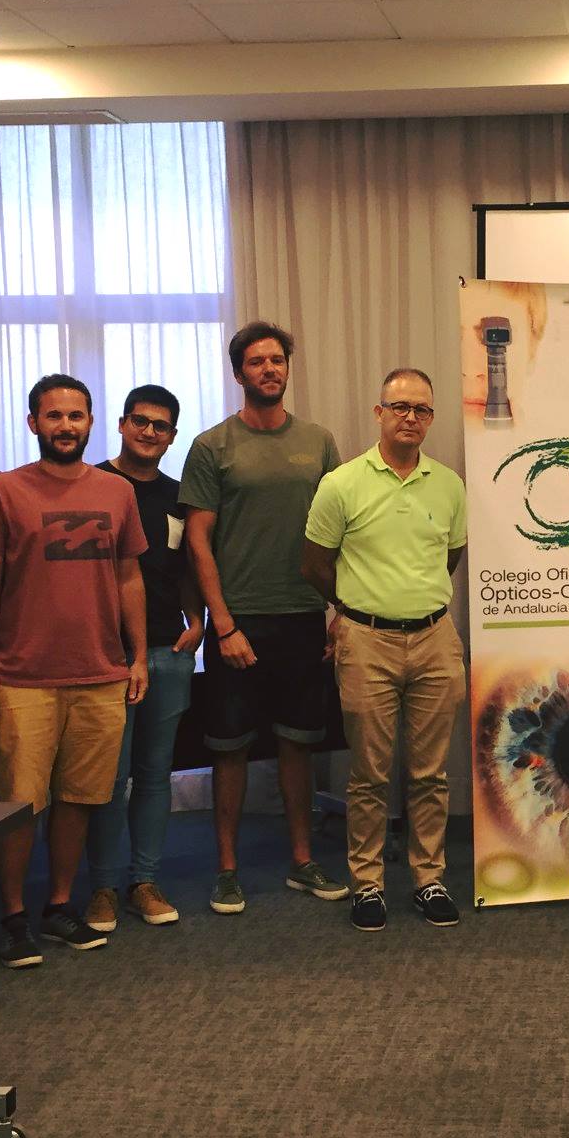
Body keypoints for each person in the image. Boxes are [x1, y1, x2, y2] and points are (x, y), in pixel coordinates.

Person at [0, 374, 149, 968]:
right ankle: (13, 916)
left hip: (101, 672)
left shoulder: (117, 491)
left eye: (75, 416)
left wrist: (137, 656)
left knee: (80, 798)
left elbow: (129, 578)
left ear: (91, 422)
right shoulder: (2, 491)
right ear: (33, 423)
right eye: (53, 416)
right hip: (23, 675)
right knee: (21, 803)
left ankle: (59, 905)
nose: (65, 426)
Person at [182, 321, 347, 916]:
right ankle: (226, 871)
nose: (269, 369)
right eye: (256, 361)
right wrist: (222, 625)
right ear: (239, 373)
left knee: (298, 744)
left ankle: (302, 861)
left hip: (302, 616)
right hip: (239, 623)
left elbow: (340, 532)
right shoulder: (212, 446)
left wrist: (340, 611)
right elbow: (197, 542)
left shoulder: (319, 442)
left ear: (287, 367)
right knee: (229, 748)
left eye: (277, 360)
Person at [302, 368, 468, 932]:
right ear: (379, 413)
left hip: (434, 638)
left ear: (431, 418)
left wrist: (412, 599)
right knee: (369, 774)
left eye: (421, 409)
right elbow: (314, 565)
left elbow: (449, 557)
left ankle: (429, 878)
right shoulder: (341, 484)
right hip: (366, 640)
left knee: (430, 773)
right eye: (400, 407)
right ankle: (367, 884)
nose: (410, 418)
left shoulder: (448, 485)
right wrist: (352, 609)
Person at [84, 385, 206, 932]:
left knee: (157, 775)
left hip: (168, 651)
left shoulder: (180, 498)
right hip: (105, 658)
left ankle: (144, 881)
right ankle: (102, 888)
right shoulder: (91, 485)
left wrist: (197, 620)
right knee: (109, 779)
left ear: (172, 436)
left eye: (161, 425)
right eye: (140, 421)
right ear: (121, 424)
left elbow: (187, 569)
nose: (149, 432)